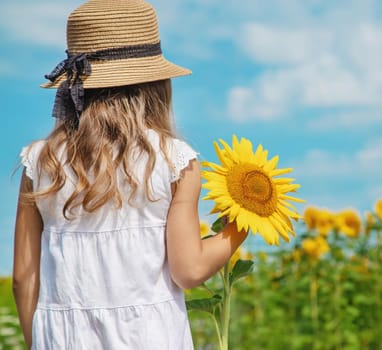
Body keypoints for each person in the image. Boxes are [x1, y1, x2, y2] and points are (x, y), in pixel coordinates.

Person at [12, 0, 248, 348]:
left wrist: (39, 341)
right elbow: (189, 270)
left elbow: (23, 278)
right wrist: (240, 225)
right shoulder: (175, 161)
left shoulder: (40, 161)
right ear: (156, 83)